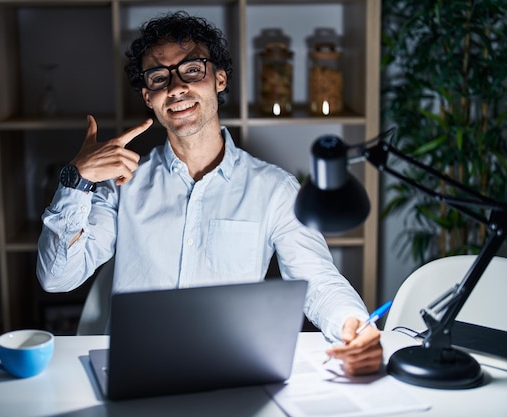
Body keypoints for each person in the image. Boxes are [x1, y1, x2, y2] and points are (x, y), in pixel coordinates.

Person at [37, 11, 382, 375]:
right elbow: (57, 278)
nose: (175, 88)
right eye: (159, 77)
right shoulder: (122, 183)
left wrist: (354, 327)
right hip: (136, 369)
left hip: (231, 369)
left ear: (219, 79)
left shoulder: (275, 189)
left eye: (192, 70)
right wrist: (76, 180)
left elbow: (318, 281)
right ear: (148, 97)